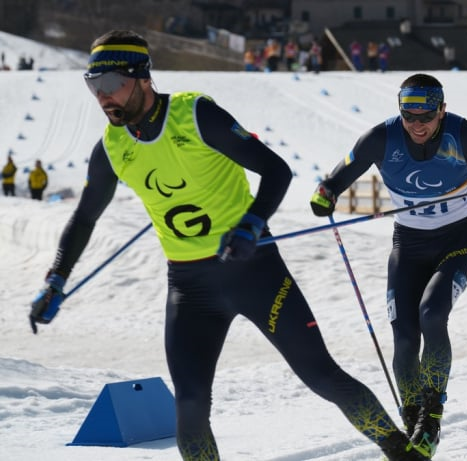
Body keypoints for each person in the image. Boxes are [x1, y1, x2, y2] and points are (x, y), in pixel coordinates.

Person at [27, 30, 427, 461]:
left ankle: (403, 453)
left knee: (320, 374)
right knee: (191, 405)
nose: (102, 97)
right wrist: (55, 279)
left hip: (254, 271)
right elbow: (85, 217)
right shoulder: (111, 147)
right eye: (94, 85)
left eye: (110, 84)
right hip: (190, 288)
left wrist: (251, 225)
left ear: (142, 77)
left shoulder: (195, 115)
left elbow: (276, 171)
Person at [310, 73, 467, 457]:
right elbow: (336, 178)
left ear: (441, 111)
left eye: (426, 116)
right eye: (409, 117)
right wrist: (325, 193)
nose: (417, 125)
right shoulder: (382, 138)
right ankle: (413, 422)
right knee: (405, 337)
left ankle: (431, 417)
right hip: (408, 246)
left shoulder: (465, 136)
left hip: (457, 241)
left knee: (432, 314)